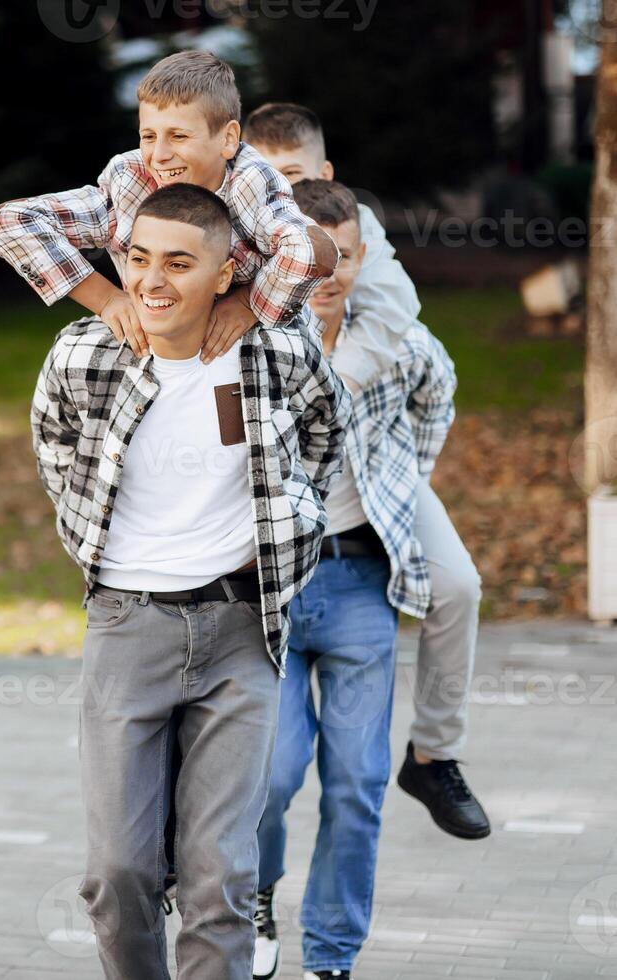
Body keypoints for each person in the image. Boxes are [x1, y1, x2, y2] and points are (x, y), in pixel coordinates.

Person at [30, 182, 348, 980]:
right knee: (119, 874)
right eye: (138, 259)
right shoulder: (82, 354)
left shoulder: (274, 350)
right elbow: (55, 448)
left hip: (242, 632)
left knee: (221, 881)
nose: (152, 280)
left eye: (179, 262)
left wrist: (282, 528)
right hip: (127, 628)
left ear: (226, 272)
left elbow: (325, 428)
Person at [244, 103, 491, 843]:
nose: (280, 195)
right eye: (264, 179)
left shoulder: (358, 231)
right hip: (267, 496)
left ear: (325, 176)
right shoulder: (243, 232)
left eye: (293, 178)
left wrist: (399, 471)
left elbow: (411, 343)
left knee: (458, 585)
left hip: (373, 463)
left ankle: (433, 754)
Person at [252, 179, 458, 980]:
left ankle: (332, 955)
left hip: (360, 583)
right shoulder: (261, 343)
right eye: (316, 255)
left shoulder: (399, 345)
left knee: (358, 780)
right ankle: (257, 897)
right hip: (274, 589)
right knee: (266, 775)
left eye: (344, 256)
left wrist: (403, 491)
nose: (330, 270)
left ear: (362, 256)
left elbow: (438, 400)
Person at [0, 49, 339, 363]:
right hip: (157, 343)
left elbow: (314, 251)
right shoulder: (130, 181)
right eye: (149, 136)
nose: (160, 154)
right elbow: (9, 223)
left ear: (228, 139)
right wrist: (107, 300)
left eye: (179, 136)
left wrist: (248, 303)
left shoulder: (251, 182)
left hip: (243, 349)